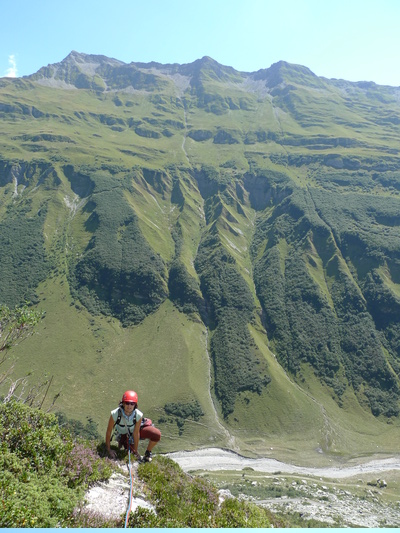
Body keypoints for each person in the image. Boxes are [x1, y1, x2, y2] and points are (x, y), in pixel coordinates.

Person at [105, 390, 161, 462]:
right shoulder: (115, 414)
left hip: (133, 432)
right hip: (123, 435)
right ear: (123, 403)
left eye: (132, 403)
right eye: (127, 403)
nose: (129, 406)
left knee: (156, 434)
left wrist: (135, 451)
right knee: (128, 453)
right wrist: (108, 449)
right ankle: (125, 444)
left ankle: (148, 452)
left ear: (135, 405)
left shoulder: (138, 415)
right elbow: (109, 432)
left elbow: (136, 433)